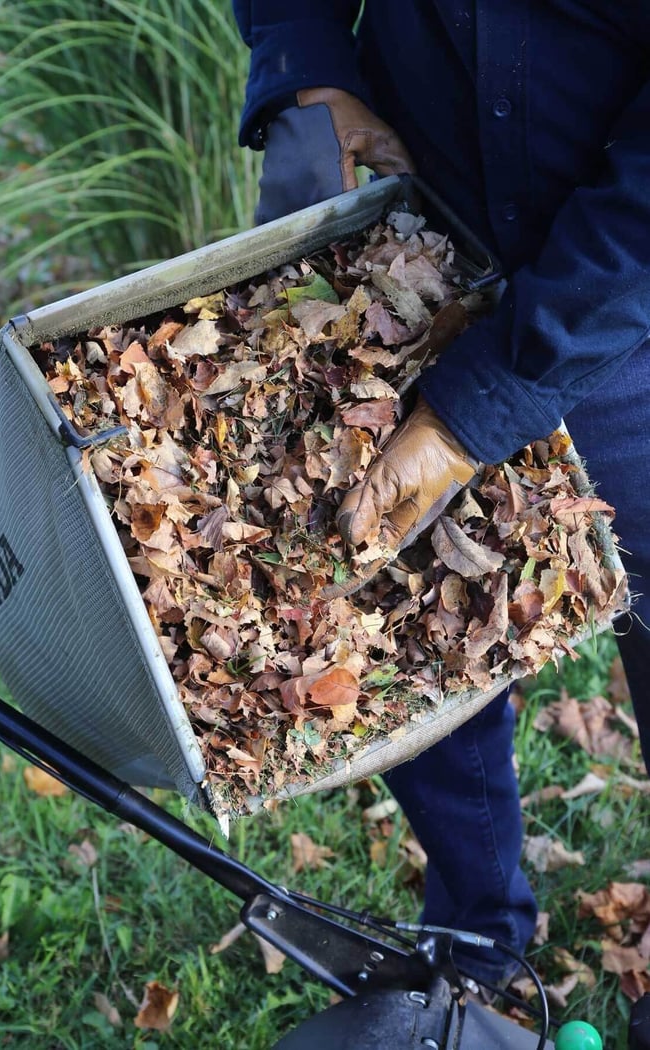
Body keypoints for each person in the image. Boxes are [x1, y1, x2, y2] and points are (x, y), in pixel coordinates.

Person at [232, 1, 650, 988]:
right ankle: (473, 940)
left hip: (629, 311)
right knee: (408, 621)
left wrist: (472, 414)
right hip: (418, 235)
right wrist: (310, 71)